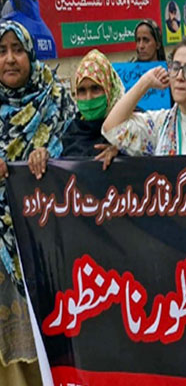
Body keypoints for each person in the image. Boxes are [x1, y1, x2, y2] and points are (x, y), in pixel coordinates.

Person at [0, 20, 77, 384]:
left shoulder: (56, 103)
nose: (10, 59)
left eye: (18, 49)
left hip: (50, 256)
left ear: (31, 53)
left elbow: (84, 152)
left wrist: (55, 155)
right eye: (1, 51)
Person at [103, 37, 186, 156]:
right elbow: (112, 128)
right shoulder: (160, 124)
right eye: (175, 68)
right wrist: (145, 82)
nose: (180, 76)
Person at [63, 49, 122, 166]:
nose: (88, 98)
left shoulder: (131, 124)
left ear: (109, 89)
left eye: (95, 88)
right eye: (82, 91)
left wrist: (123, 152)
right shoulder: (72, 132)